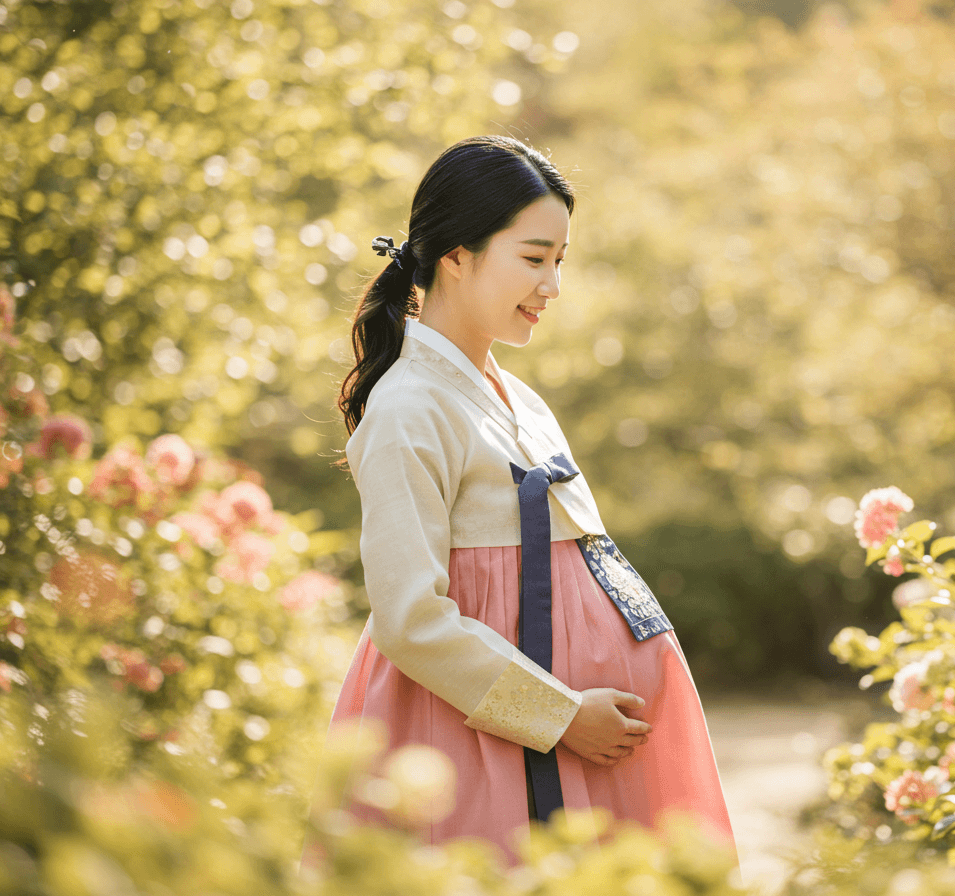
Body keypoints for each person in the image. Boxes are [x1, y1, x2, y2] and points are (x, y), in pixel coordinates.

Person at [309, 135, 736, 868]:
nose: (553, 285)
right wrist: (559, 715)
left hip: (577, 748)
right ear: (457, 255)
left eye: (560, 261)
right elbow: (409, 620)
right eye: (535, 259)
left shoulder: (521, 399)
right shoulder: (409, 408)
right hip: (482, 744)